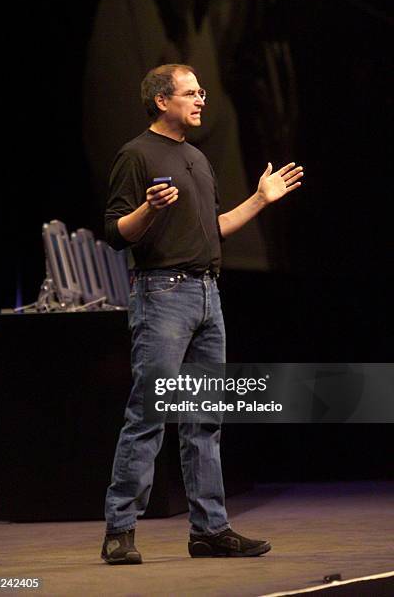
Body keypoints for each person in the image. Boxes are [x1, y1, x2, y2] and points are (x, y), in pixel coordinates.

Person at [101, 64, 303, 564]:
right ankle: (120, 530)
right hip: (163, 294)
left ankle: (209, 530)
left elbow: (214, 228)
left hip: (208, 296)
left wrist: (258, 199)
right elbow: (115, 232)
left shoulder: (197, 158)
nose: (200, 100)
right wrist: (148, 208)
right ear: (161, 101)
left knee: (204, 418)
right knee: (150, 413)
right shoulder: (136, 155)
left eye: (201, 92)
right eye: (191, 93)